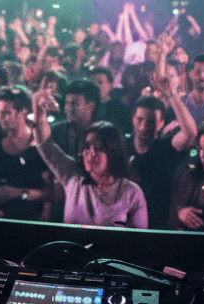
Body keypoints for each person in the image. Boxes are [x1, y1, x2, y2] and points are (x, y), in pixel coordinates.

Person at [33, 93, 149, 228]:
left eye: (99, 148)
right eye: (87, 147)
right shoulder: (73, 177)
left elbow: (138, 240)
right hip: (73, 248)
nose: (91, 153)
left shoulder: (131, 193)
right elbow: (46, 145)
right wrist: (39, 108)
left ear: (113, 153)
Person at [127, 71, 197, 229]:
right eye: (140, 120)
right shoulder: (122, 145)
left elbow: (190, 133)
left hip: (158, 223)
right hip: (124, 220)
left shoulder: (166, 148)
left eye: (151, 121)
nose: (144, 126)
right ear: (133, 120)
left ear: (161, 123)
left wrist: (171, 94)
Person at [0, 85, 51, 221]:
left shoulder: (39, 145)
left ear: (23, 112)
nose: (0, 117)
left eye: (6, 113)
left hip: (32, 217)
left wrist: (17, 193)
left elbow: (50, 192)